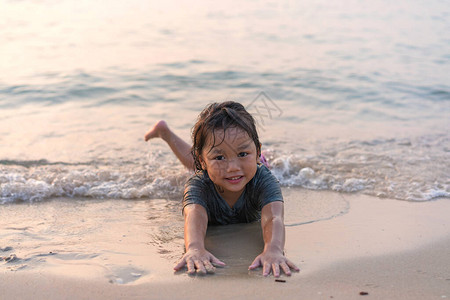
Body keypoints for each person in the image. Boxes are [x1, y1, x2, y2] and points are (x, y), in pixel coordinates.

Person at [144, 101, 299, 277]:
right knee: (197, 168)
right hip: (212, 170)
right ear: (202, 161)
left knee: (242, 165)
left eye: (243, 153)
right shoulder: (199, 184)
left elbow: (273, 217)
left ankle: (247, 156)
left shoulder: (263, 180)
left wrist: (274, 250)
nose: (232, 167)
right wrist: (194, 248)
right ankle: (166, 133)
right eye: (220, 157)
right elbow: (194, 214)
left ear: (257, 152)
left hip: (253, 166)